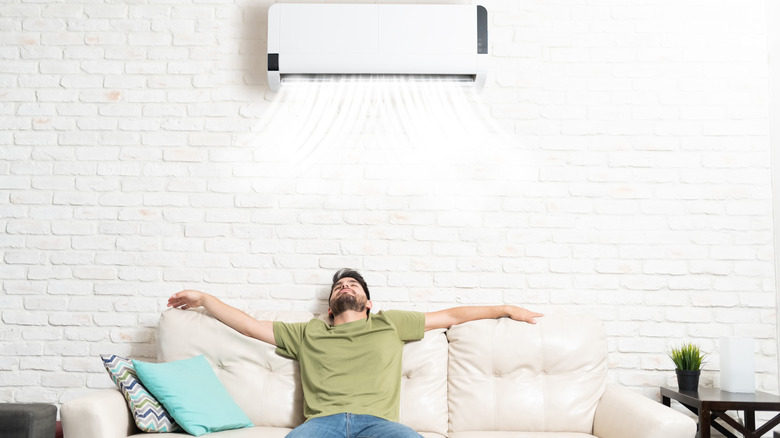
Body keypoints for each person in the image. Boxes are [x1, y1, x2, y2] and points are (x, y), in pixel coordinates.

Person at [167, 268, 543, 438]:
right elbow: (248, 325)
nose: (344, 287)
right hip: (321, 424)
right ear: (331, 306)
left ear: (367, 303)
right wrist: (204, 299)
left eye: (352, 284)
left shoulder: (389, 324)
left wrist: (505, 309)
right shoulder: (307, 332)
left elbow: (451, 315)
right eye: (339, 286)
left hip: (379, 424)